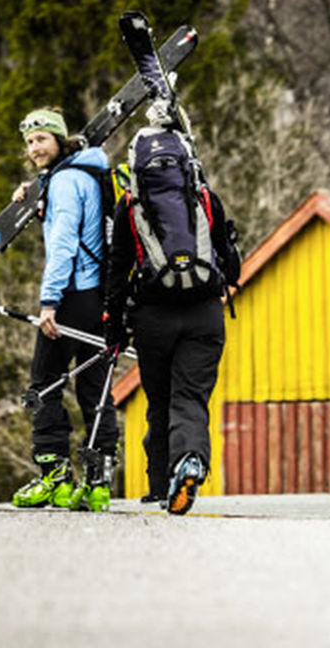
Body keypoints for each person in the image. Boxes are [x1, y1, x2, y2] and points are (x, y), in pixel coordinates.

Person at [103, 105, 240, 515]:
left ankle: (160, 484)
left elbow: (117, 268)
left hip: (153, 316)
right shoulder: (204, 198)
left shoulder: (129, 205)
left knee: (159, 398)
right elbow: (231, 267)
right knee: (191, 397)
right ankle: (191, 461)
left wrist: (114, 325)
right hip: (203, 313)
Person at [10, 109, 118, 510]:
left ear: (59, 140)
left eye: (42, 139)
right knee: (95, 388)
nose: (35, 148)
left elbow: (63, 246)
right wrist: (35, 189)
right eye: (30, 142)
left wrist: (49, 302)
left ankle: (54, 477)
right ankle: (98, 484)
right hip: (100, 298)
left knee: (44, 385)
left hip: (71, 296)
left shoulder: (66, 182)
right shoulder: (85, 174)